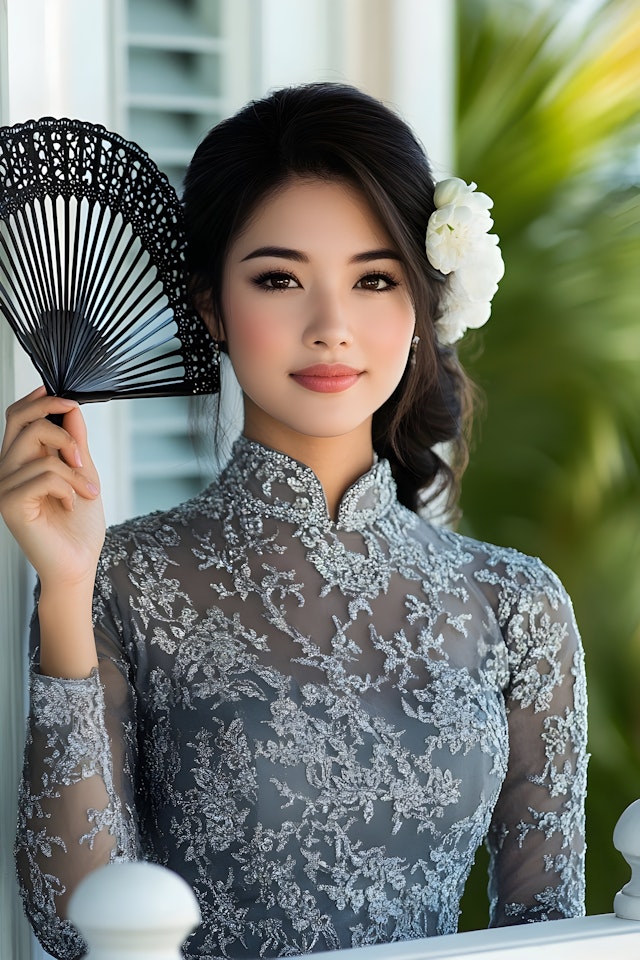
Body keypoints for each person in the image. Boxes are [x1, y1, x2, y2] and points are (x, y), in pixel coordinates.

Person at [0, 83, 587, 960]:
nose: (331, 328)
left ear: (423, 307)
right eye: (279, 279)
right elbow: (76, 923)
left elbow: (551, 933)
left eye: (374, 279)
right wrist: (68, 585)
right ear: (210, 309)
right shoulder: (120, 581)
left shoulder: (517, 605)